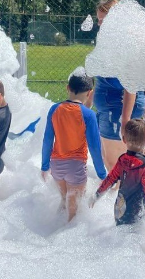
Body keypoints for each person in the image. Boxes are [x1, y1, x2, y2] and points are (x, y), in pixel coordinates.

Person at [41, 69, 107, 221]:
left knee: (64, 200)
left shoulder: (54, 109)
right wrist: (101, 174)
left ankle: (52, 231)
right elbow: (95, 147)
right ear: (90, 93)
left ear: (67, 88)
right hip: (75, 167)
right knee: (74, 210)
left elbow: (47, 140)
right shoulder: (88, 114)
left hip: (56, 166)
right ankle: (67, 238)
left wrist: (45, 166)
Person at [90, 0, 145, 172]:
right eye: (98, 20)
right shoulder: (109, 44)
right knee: (110, 159)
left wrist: (125, 121)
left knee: (116, 165)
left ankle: (121, 196)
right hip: (109, 110)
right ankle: (119, 194)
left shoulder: (126, 46)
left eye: (102, 20)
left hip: (119, 111)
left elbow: (132, 85)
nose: (99, 24)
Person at [89, 119, 145, 228]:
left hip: (119, 209)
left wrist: (97, 195)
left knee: (120, 233)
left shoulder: (122, 160)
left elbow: (110, 179)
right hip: (135, 213)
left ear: (124, 140)